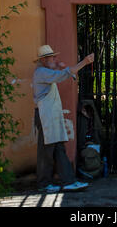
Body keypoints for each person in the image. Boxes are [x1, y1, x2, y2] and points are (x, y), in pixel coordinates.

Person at [33, 44, 95, 193]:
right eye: (52, 57)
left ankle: (68, 181)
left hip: (50, 116)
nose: (55, 59)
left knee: (58, 149)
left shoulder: (46, 71)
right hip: (45, 116)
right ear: (44, 60)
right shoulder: (41, 72)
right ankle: (44, 184)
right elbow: (61, 76)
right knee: (46, 151)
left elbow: (60, 73)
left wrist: (60, 67)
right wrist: (84, 62)